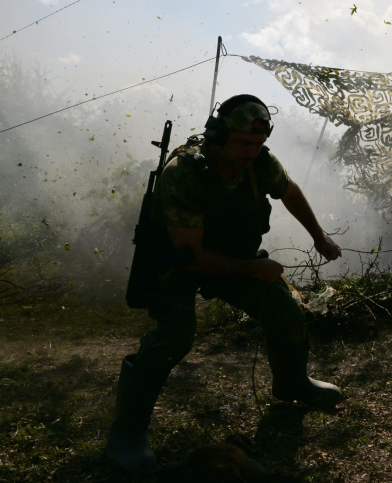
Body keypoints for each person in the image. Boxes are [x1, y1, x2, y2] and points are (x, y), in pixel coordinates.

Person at [106, 94, 342, 474]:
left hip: (232, 259)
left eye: (258, 144)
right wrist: (252, 269)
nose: (252, 152)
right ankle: (127, 433)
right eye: (243, 144)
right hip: (177, 266)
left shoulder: (258, 162)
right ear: (218, 135)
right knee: (174, 336)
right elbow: (193, 257)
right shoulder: (184, 173)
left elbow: (289, 190)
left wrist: (318, 235)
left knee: (284, 309)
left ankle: (292, 384)